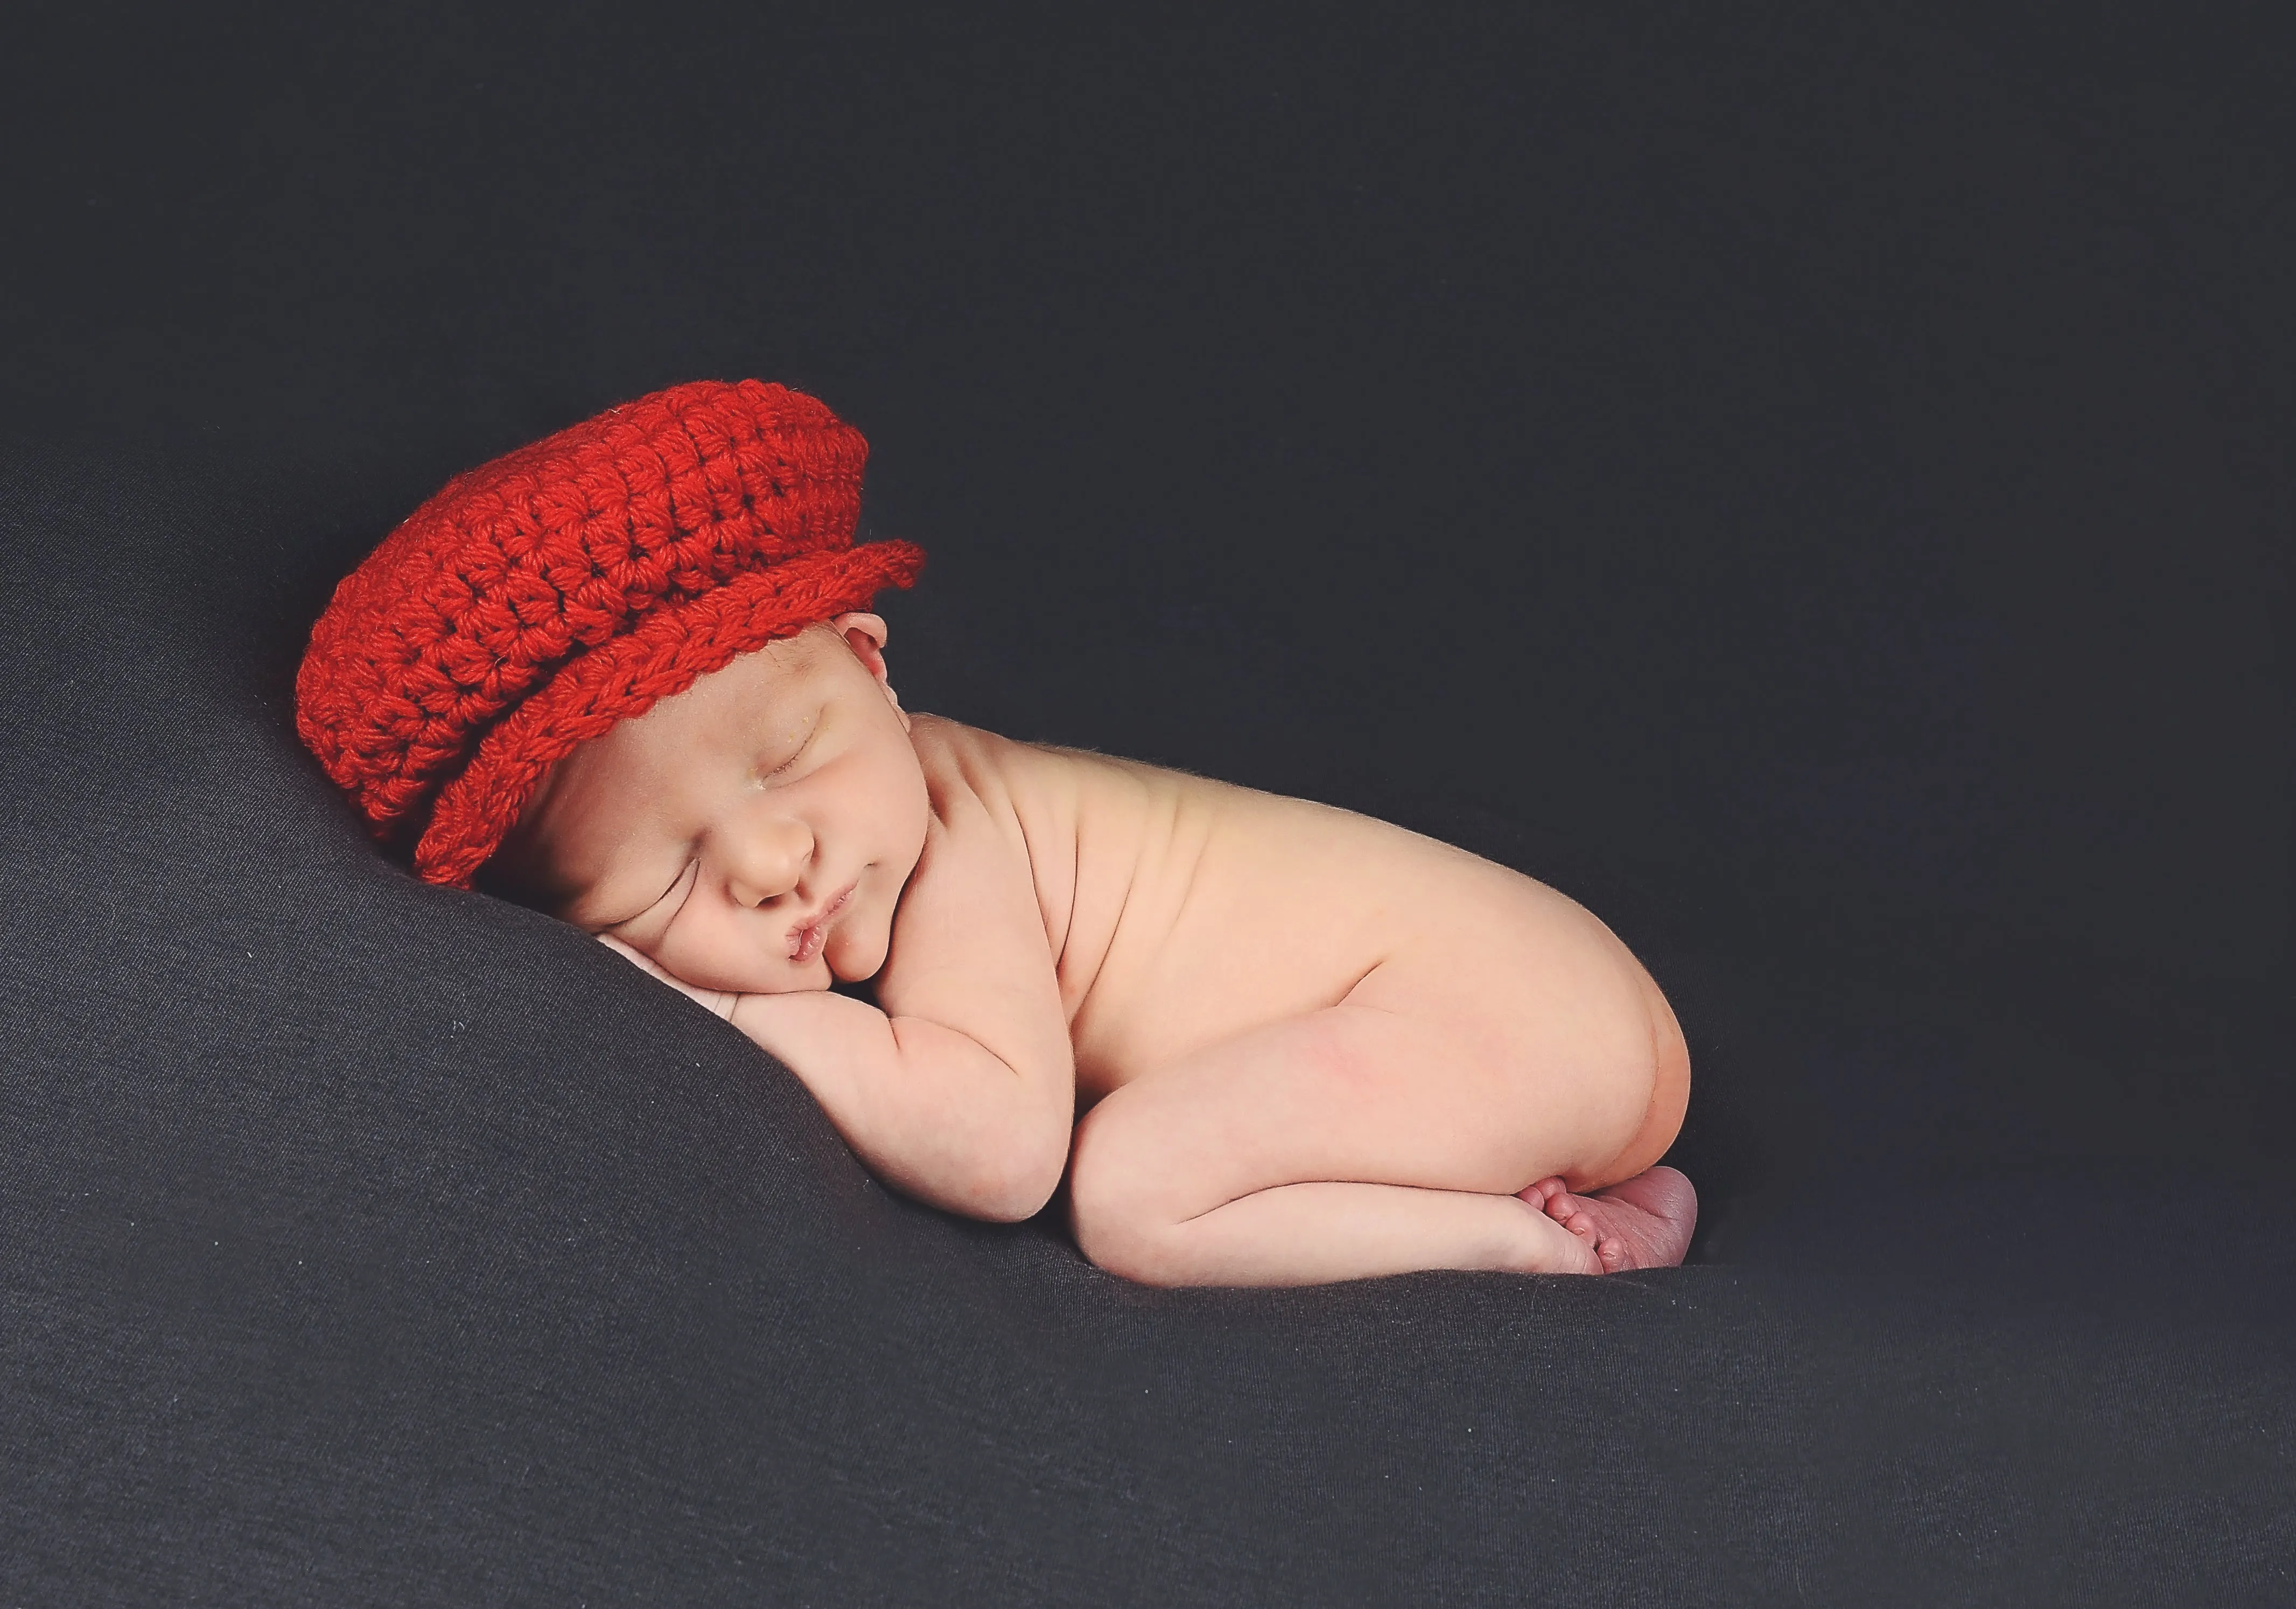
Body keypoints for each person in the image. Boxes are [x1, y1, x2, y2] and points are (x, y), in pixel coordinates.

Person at [296, 379, 1696, 1288]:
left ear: (873, 667)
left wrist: (720, 995)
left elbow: (999, 1143)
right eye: (664, 876)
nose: (769, 859)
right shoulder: (881, 819)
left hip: (1497, 1008)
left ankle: (1534, 1236)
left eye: (787, 759)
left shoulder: (962, 833)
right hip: (1529, 1000)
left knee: (1136, 1191)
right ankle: (1554, 1179)